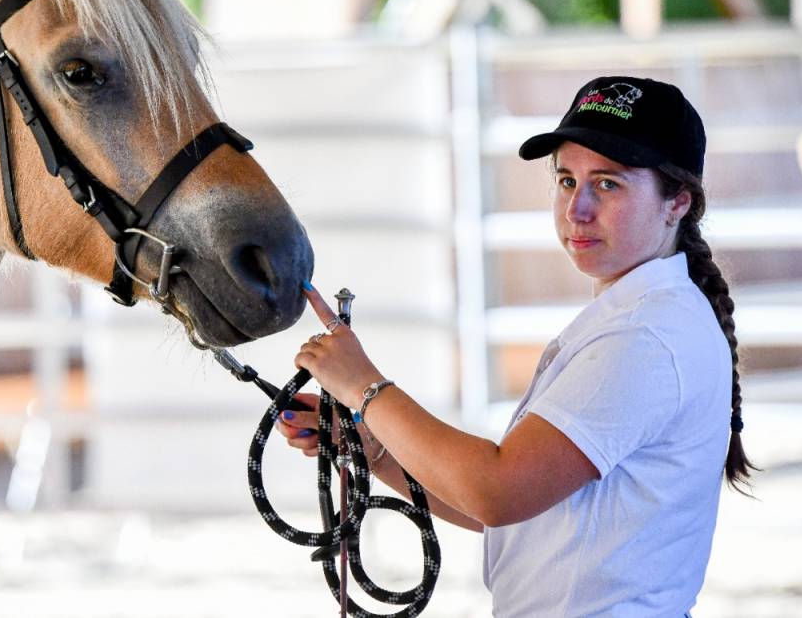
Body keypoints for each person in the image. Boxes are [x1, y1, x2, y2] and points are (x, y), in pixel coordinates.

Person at [278, 75, 754, 616]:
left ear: (677, 203)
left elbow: (498, 491)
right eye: (567, 181)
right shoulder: (638, 317)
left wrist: (363, 386)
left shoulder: (647, 336)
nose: (577, 210)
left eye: (609, 184)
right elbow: (520, 507)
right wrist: (376, 448)